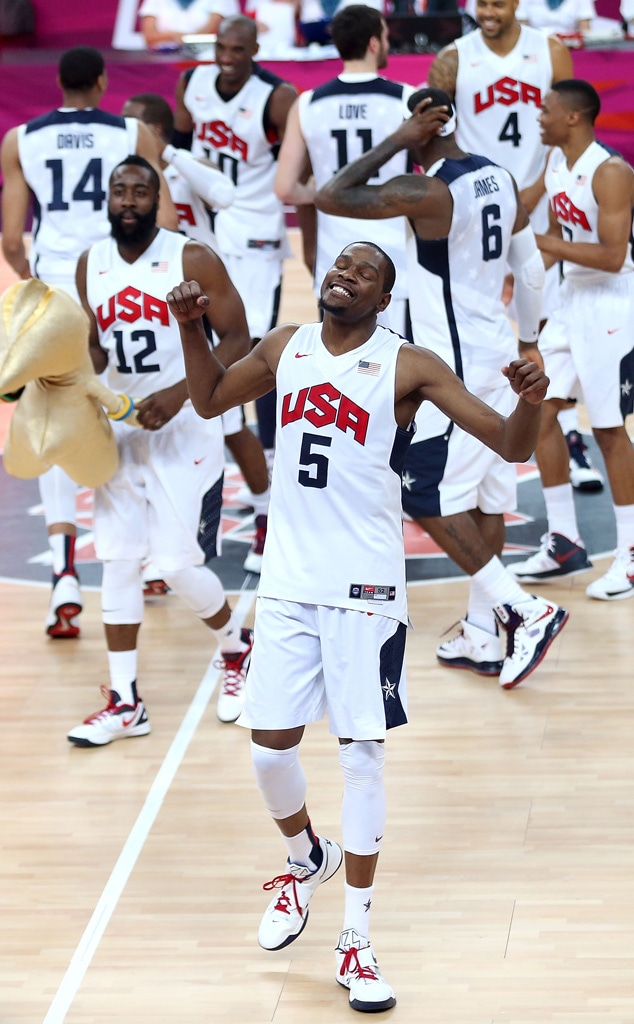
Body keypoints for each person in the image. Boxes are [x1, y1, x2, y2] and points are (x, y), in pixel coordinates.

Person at [167, 240, 550, 1010]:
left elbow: (508, 442)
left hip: (367, 588)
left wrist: (531, 397)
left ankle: (357, 940)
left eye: (363, 270)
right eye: (339, 263)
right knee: (269, 753)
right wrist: (190, 329)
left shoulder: (411, 365)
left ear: (383, 297)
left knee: (361, 758)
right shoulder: (285, 345)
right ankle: (306, 856)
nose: (343, 273)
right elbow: (208, 401)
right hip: (287, 583)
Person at [315, 90, 568, 687]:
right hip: (498, 351)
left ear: (422, 123)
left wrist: (400, 140)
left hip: (448, 368)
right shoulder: (499, 176)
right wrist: (528, 338)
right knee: (484, 498)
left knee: (422, 495)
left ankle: (523, 609)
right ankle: (483, 634)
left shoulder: (428, 190)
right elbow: (528, 267)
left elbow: (330, 196)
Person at [66, 155, 253, 745]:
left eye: (139, 192)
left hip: (185, 426)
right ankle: (125, 702)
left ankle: (236, 644)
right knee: (118, 561)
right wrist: (66, 372)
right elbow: (96, 350)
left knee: (174, 566)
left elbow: (241, 337)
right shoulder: (88, 264)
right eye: (119, 191)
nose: (127, 200)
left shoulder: (189, 257)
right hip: (119, 428)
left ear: (158, 198)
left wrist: (180, 393)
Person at [0, 46, 178, 639]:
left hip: (54, 285)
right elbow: (167, 223)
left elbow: (11, 239)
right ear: (102, 82)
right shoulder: (131, 130)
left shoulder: (21, 137)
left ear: (57, 83)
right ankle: (147, 558)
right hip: (112, 276)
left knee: (51, 419)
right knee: (129, 400)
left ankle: (64, 574)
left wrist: (34, 286)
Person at [427, 0, 604, 492]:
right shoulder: (453, 58)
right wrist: (496, 196)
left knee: (545, 328)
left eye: (498, 2)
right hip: (475, 207)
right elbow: (435, 135)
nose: (488, 11)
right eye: (481, 2)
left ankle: (566, 435)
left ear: (517, 4)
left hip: (537, 204)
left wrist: (528, 197)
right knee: (474, 318)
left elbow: (565, 134)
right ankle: (469, 434)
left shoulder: (549, 50)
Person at [122, 92, 271, 573]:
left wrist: (167, 155)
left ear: (158, 133)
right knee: (140, 413)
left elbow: (225, 195)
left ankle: (268, 513)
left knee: (229, 421)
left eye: (135, 126)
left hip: (199, 296)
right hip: (145, 297)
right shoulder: (126, 182)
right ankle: (156, 539)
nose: (126, 133)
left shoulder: (185, 166)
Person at [508, 80, 634, 599]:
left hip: (611, 305)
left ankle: (629, 555)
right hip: (569, 301)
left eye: (548, 110)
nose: (540, 116)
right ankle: (564, 540)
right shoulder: (557, 162)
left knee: (607, 431)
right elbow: (559, 241)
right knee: (539, 412)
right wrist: (523, 275)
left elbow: (610, 255)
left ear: (575, 117)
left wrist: (539, 242)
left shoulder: (611, 172)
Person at [173, 14, 298, 463]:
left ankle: (268, 450)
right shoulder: (191, 83)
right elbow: (179, 146)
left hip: (254, 222)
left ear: (254, 51)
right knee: (201, 327)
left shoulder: (278, 97)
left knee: (257, 340)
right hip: (203, 222)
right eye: (221, 48)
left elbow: (295, 163)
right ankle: (221, 431)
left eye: (237, 51)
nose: (226, 58)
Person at [275, 4, 415, 338]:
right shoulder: (405, 98)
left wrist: (326, 192)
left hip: (337, 252)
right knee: (399, 364)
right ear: (373, 43)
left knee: (338, 359)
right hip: (395, 251)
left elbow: (285, 188)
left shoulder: (308, 102)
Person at [138, 0, 238, 50]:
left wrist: (181, 38)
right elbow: (149, 36)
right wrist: (174, 36)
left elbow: (212, 32)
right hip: (162, 61)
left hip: (204, 58)